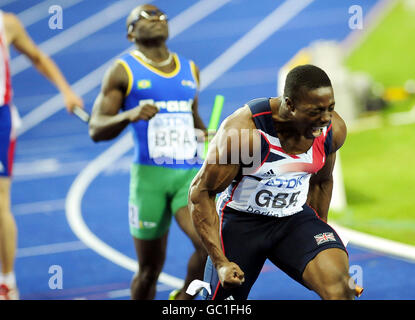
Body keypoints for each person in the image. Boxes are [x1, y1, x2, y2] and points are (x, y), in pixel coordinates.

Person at [189, 64, 362, 300]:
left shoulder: (333, 131)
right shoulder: (244, 134)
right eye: (315, 111)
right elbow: (201, 193)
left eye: (329, 108)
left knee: (342, 289)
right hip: (241, 223)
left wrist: (317, 238)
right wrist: (220, 262)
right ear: (289, 104)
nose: (324, 119)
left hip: (293, 219)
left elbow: (322, 182)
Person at [89, 4, 207, 300]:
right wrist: (129, 115)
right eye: (146, 16)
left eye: (161, 15)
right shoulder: (122, 70)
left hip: (187, 176)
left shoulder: (189, 68)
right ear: (130, 33)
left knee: (208, 248)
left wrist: (209, 136)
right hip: (149, 182)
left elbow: (193, 119)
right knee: (149, 270)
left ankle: (182, 302)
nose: (156, 19)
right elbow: (96, 128)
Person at [0, 11, 83, 300]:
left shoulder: (6, 23)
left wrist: (66, 91)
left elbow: (36, 56)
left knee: (0, 199)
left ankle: (7, 282)